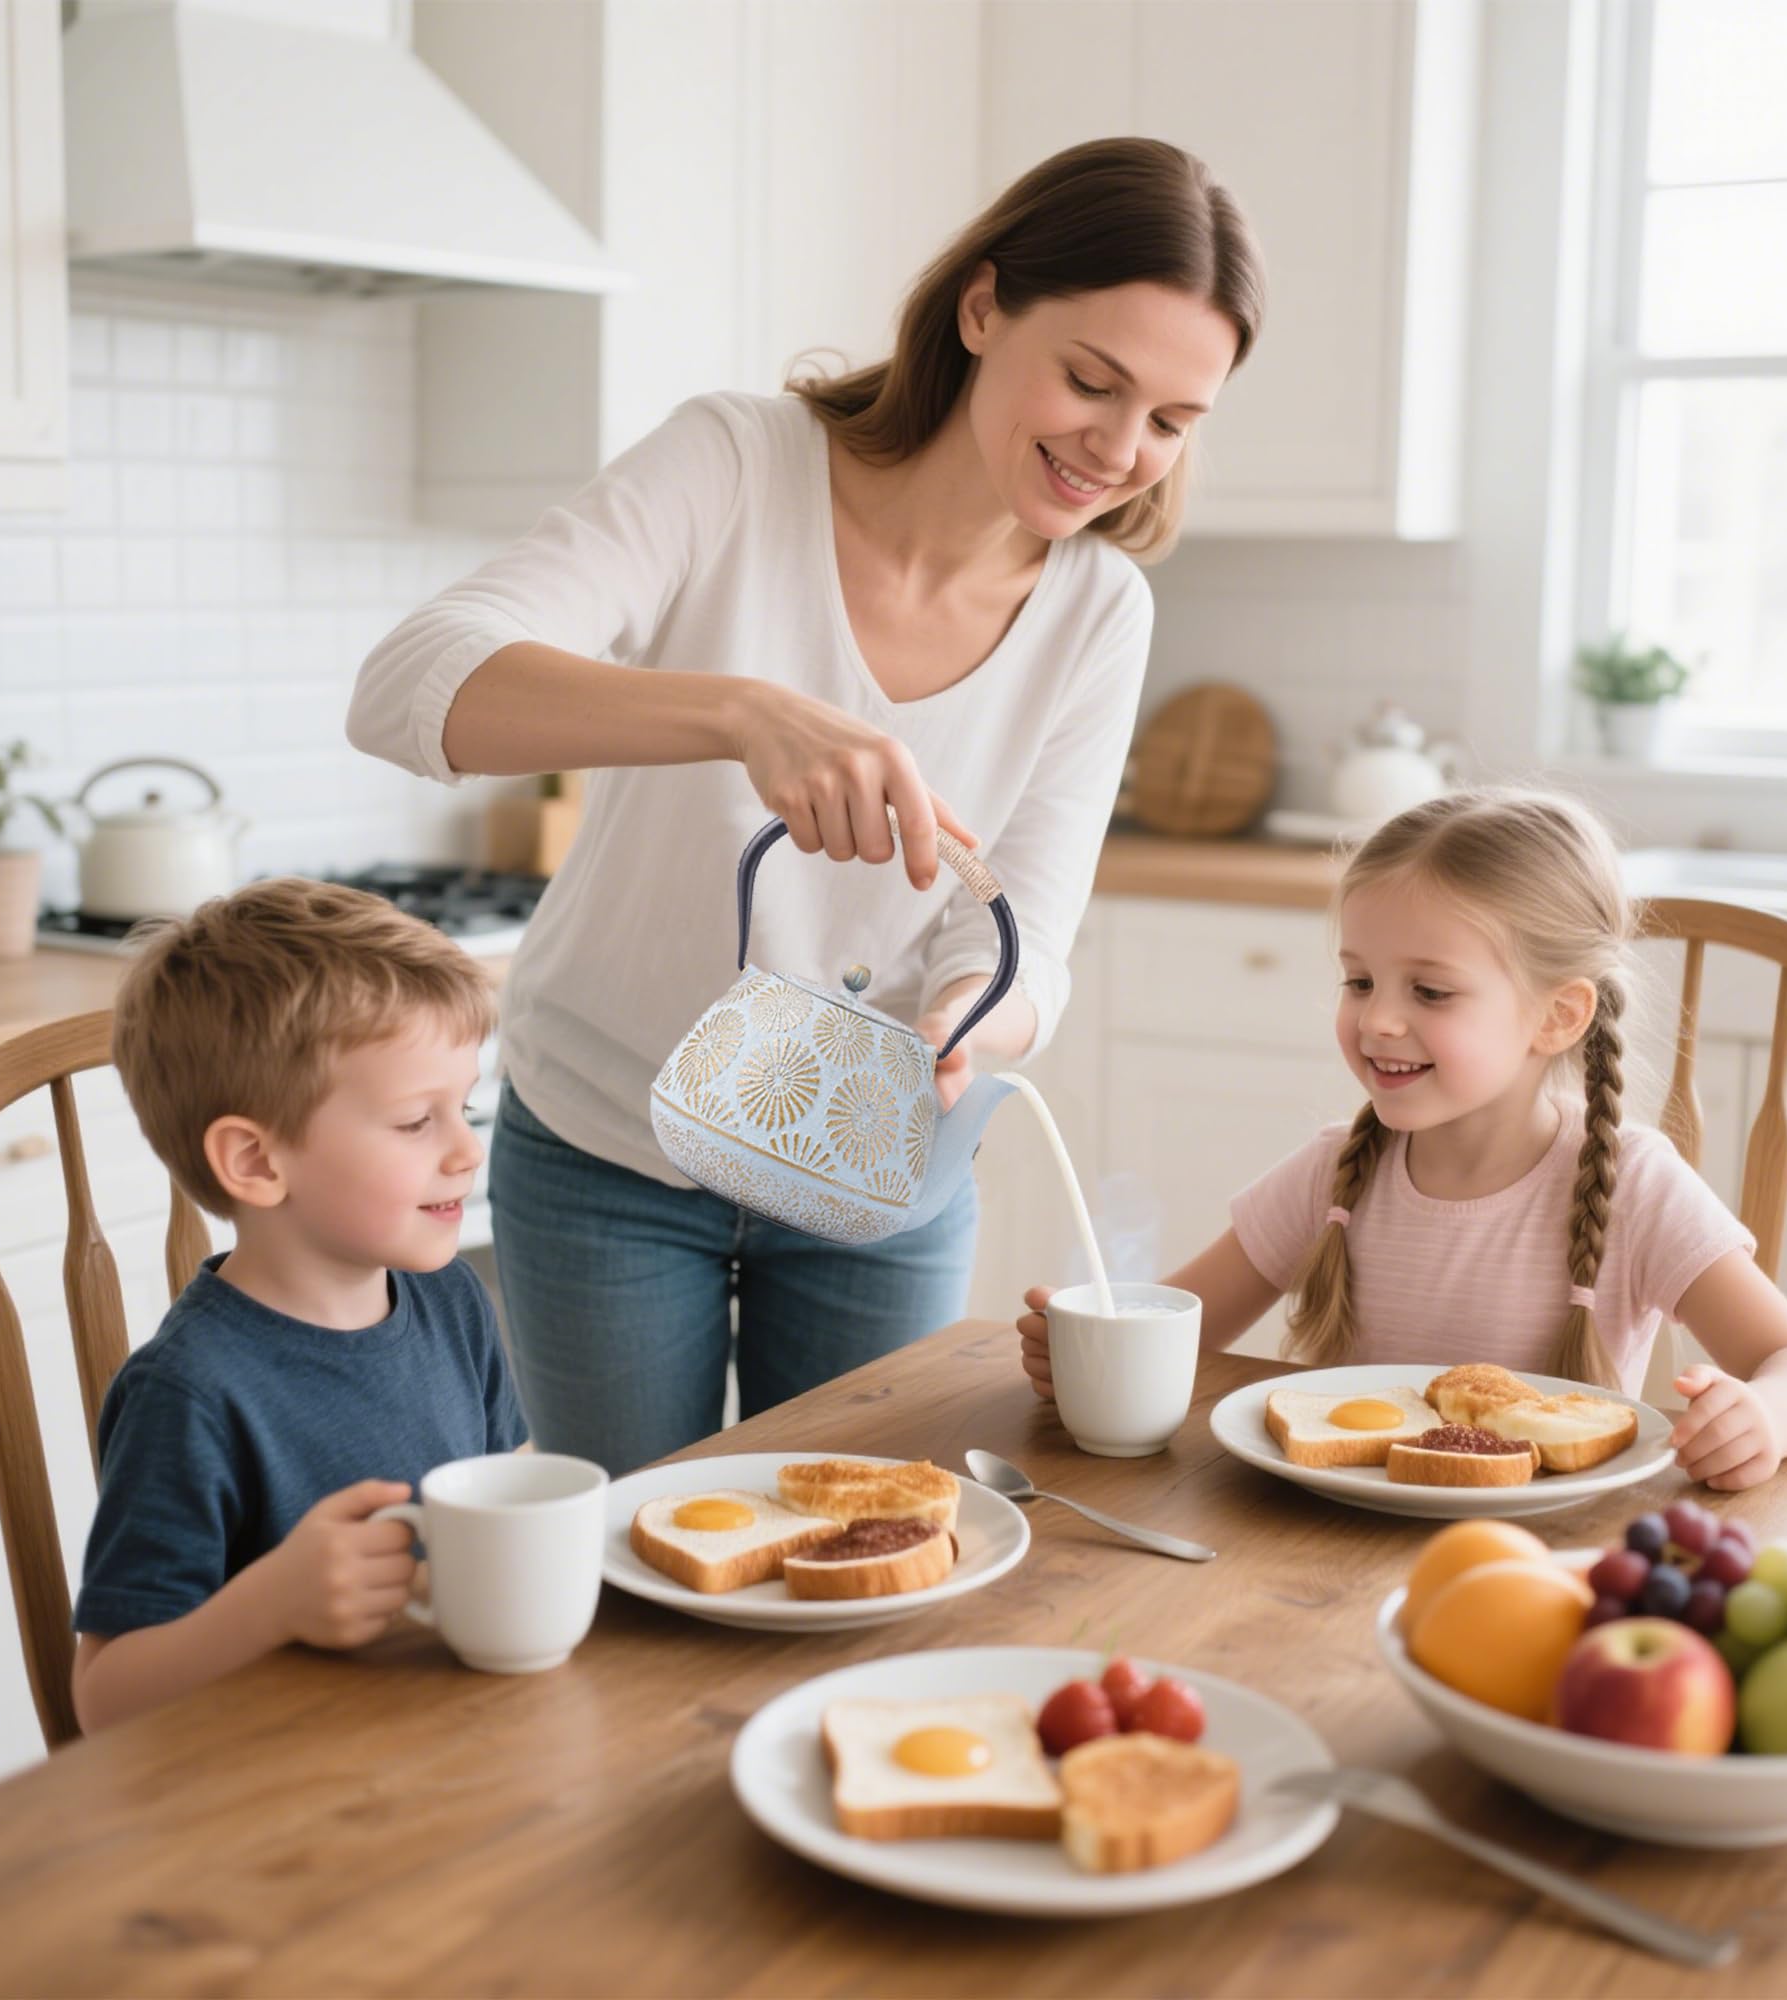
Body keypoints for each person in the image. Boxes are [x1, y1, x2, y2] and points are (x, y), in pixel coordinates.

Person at [347, 138, 1267, 1474]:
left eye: (1173, 423)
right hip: (609, 1146)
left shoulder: (1098, 612)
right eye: (1091, 381)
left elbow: (1026, 934)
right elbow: (404, 688)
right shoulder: (736, 466)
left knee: (852, 1558)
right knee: (632, 1572)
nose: (1121, 450)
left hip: (875, 1176)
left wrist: (971, 1020)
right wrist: (740, 715)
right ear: (982, 308)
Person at [1016, 791, 1787, 1490]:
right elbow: (1178, 1332)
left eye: (1430, 990)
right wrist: (1093, 1350)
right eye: (1359, 980)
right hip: (1318, 1549)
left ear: (1557, 1016)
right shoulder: (1330, 1174)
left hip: (1543, 1568)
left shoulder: (1634, 1185)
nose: (1379, 1018)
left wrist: (1765, 1417)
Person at [71, 880, 527, 1732]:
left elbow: (509, 1481)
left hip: (446, 1740)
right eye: (414, 1122)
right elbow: (102, 1698)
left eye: (462, 1107)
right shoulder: (190, 1392)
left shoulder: (451, 1298)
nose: (468, 1148)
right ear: (255, 1161)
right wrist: (268, 1606)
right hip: (277, 1796)